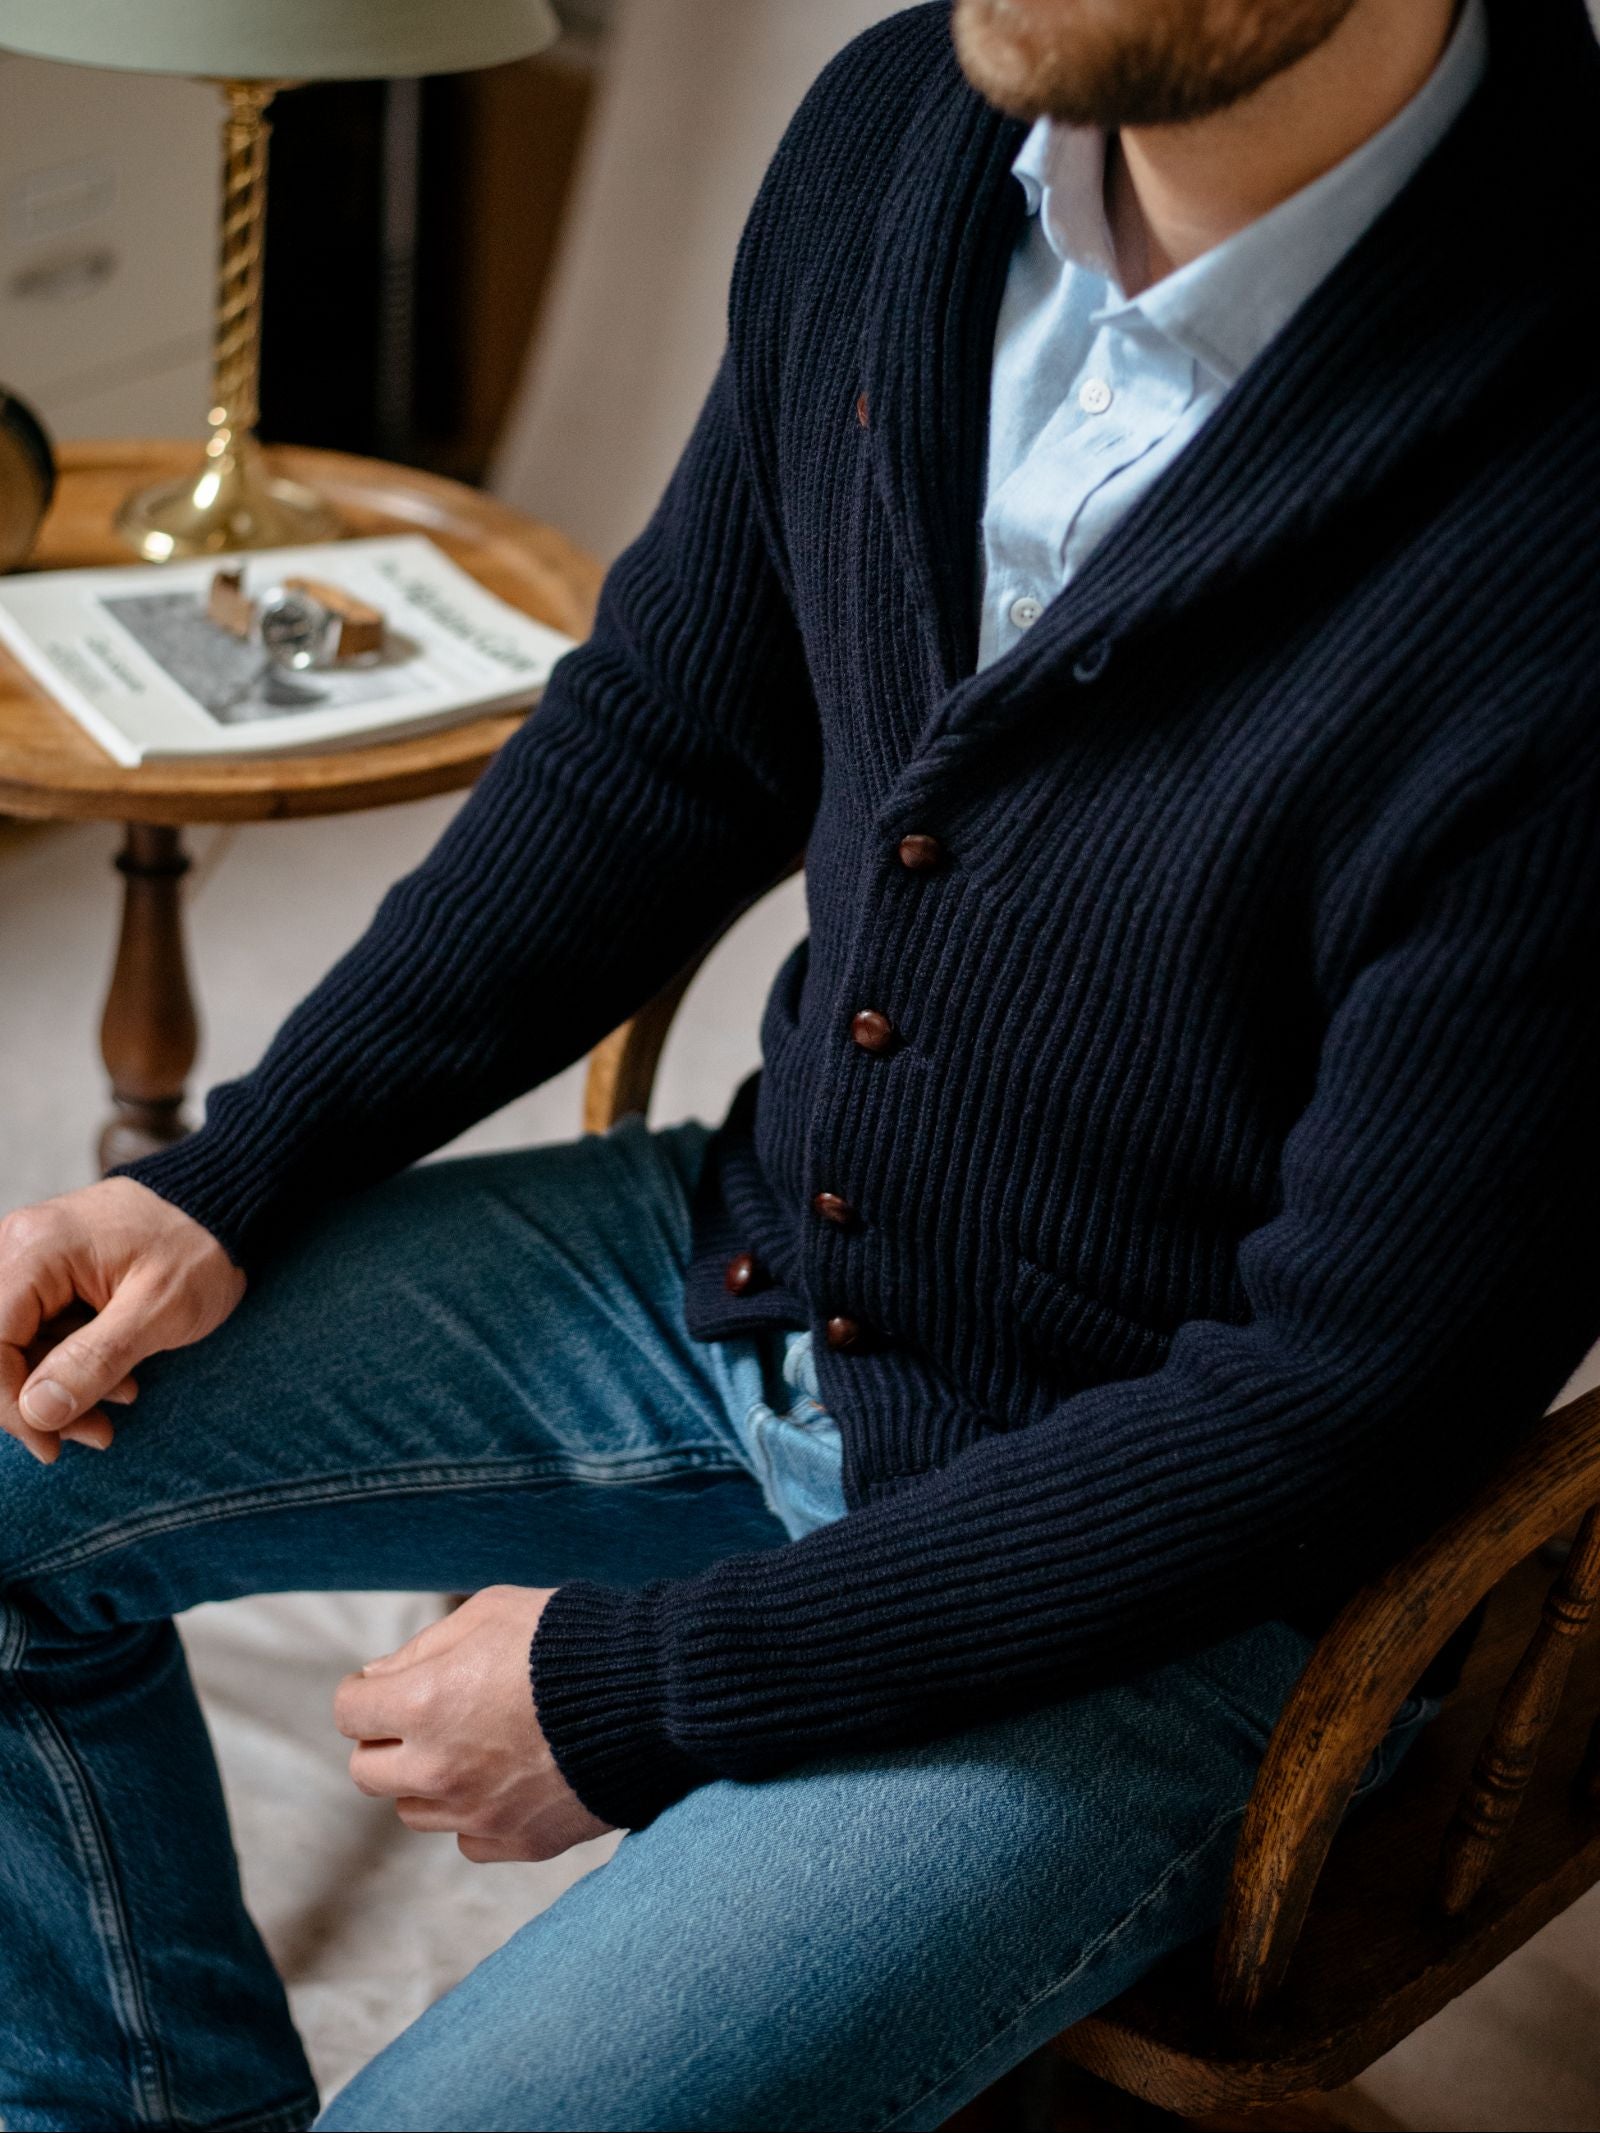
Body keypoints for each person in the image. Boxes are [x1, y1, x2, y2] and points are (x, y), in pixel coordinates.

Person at [3, 0, 1597, 2125]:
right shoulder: (897, 130)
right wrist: (231, 1169)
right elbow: (671, 737)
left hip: (1165, 1582)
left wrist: (644, 1687)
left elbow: (1332, 1404)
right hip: (762, 1277)